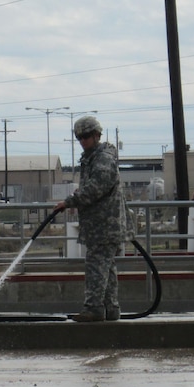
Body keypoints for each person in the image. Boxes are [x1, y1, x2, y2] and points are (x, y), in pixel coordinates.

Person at [53, 116, 128, 322]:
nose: (83, 141)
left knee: (96, 266)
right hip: (101, 225)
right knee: (107, 267)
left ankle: (94, 308)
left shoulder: (102, 159)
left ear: (97, 135)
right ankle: (110, 309)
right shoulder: (93, 158)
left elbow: (97, 187)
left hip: (104, 225)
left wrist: (70, 201)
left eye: (86, 136)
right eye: (80, 138)